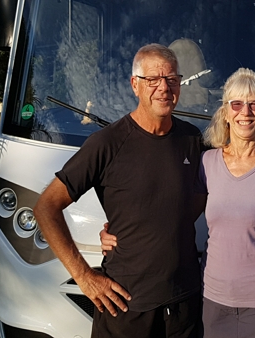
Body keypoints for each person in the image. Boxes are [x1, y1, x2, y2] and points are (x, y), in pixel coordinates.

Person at [103, 67, 255, 338]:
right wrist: (119, 233)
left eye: (254, 104)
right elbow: (177, 217)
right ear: (225, 113)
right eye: (237, 104)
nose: (245, 112)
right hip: (212, 301)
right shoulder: (207, 162)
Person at [33, 43, 205, 338]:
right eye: (153, 79)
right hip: (126, 306)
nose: (164, 88)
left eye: (172, 79)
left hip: (183, 304)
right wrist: (84, 277)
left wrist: (144, 225)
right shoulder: (107, 143)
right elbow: (46, 207)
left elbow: (199, 197)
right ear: (135, 85)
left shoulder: (192, 139)